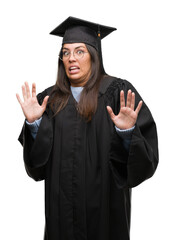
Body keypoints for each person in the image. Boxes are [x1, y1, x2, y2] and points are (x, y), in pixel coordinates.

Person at [16, 16, 159, 240]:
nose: (71, 58)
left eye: (79, 51)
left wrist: (126, 133)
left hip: (105, 218)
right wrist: (34, 125)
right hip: (60, 220)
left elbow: (144, 166)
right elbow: (37, 169)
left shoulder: (117, 94)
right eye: (66, 52)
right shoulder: (49, 101)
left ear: (94, 55)